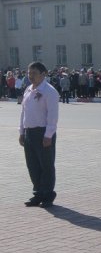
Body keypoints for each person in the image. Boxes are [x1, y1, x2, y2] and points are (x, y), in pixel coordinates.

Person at [19, 61, 59, 208]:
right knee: (33, 165)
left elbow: (52, 115)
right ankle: (38, 193)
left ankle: (48, 194)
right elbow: (23, 112)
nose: (30, 76)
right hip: (29, 132)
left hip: (43, 133)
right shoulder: (28, 90)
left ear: (43, 74)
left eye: (34, 73)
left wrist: (49, 135)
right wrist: (22, 131)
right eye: (29, 73)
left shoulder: (49, 91)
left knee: (46, 165)